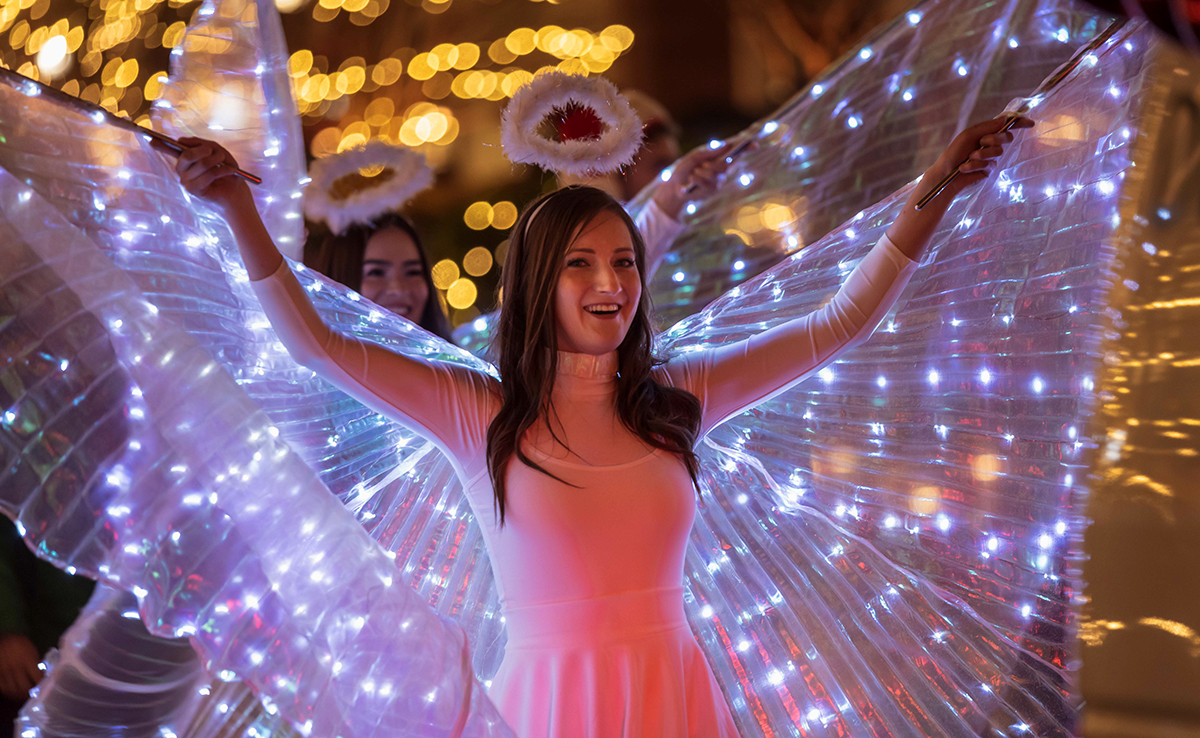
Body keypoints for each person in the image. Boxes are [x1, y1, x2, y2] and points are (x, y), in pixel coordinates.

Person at [170, 112, 1030, 736]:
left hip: (679, 699)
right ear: (539, 282)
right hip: (550, 708)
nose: (609, 280)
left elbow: (834, 325)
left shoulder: (674, 397)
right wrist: (236, 210)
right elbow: (316, 343)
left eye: (622, 260)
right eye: (580, 263)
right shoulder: (483, 415)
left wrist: (935, 195)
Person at [305, 212, 453, 340]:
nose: (398, 289)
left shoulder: (460, 370)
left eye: (412, 272)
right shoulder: (309, 369)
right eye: (376, 272)